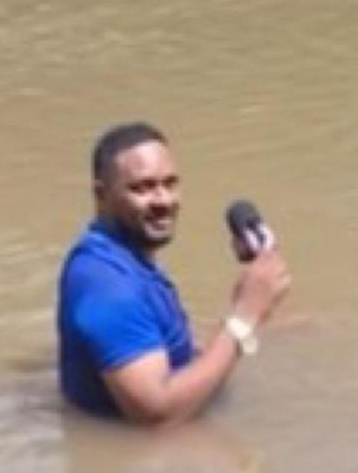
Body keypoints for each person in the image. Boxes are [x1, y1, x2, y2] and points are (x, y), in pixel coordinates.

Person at [57, 122, 291, 425]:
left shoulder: (128, 254)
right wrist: (244, 317)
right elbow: (157, 415)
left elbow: (167, 344)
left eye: (170, 183)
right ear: (101, 196)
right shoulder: (107, 285)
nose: (163, 201)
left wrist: (259, 303)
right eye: (142, 188)